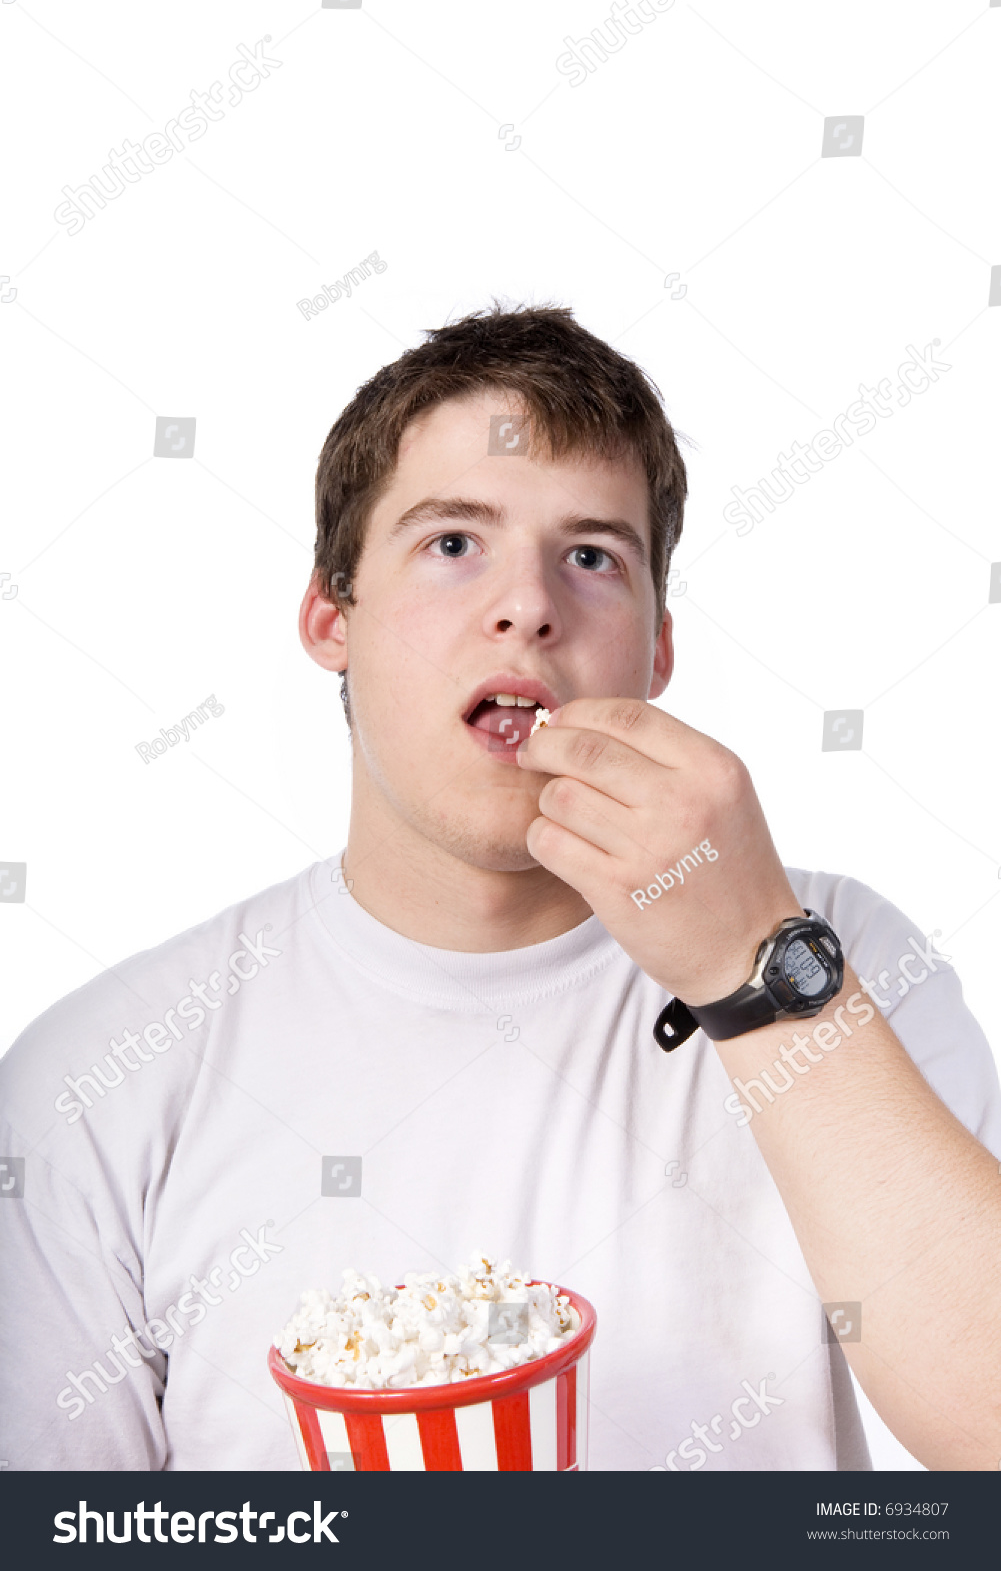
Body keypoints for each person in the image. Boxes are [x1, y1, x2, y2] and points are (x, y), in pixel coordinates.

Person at [2, 303, 999, 1473]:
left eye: (591, 557)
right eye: (452, 542)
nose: (528, 605)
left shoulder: (827, 953)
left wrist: (752, 964)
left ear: (655, 651)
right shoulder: (94, 1083)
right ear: (332, 614)